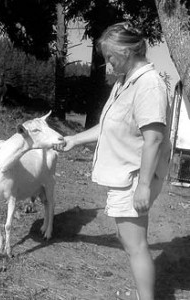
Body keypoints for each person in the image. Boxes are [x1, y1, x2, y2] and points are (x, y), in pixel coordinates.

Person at [54, 22, 171, 300]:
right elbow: (108, 125)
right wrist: (74, 140)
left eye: (110, 58)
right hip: (124, 175)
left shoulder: (148, 85)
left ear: (126, 51)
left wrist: (143, 186)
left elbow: (153, 139)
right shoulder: (123, 83)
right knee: (130, 241)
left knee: (136, 245)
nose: (107, 65)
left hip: (134, 177)